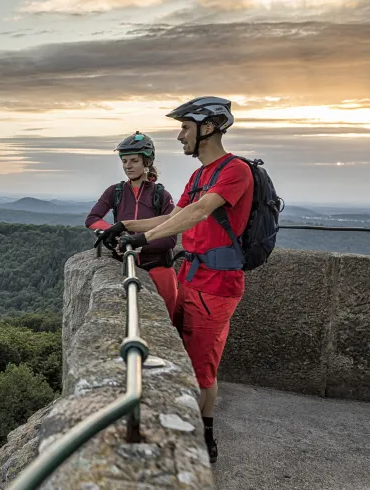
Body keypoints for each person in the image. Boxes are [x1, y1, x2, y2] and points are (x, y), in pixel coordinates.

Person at [95, 97, 253, 465]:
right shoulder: (198, 175)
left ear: (208, 128)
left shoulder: (235, 170)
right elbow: (174, 216)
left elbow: (198, 212)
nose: (179, 135)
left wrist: (143, 239)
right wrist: (126, 227)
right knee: (178, 348)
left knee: (202, 364)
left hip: (217, 285)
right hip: (190, 275)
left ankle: (204, 433)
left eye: (185, 127)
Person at [85, 131, 179, 321]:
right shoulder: (115, 191)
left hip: (159, 268)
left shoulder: (161, 195)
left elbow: (170, 236)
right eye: (124, 161)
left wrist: (138, 244)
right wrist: (113, 231)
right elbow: (92, 218)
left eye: (134, 161)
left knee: (167, 322)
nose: (128, 166)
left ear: (147, 162)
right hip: (124, 265)